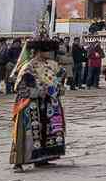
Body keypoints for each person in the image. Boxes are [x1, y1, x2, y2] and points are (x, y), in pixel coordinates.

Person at [10, 12, 67, 172]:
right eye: (44, 50)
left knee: (47, 129)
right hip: (30, 104)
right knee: (26, 132)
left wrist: (57, 88)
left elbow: (58, 80)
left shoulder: (51, 65)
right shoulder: (28, 67)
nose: (47, 53)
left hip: (48, 102)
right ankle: (19, 161)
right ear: (36, 51)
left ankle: (43, 157)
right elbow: (20, 88)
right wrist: (38, 91)